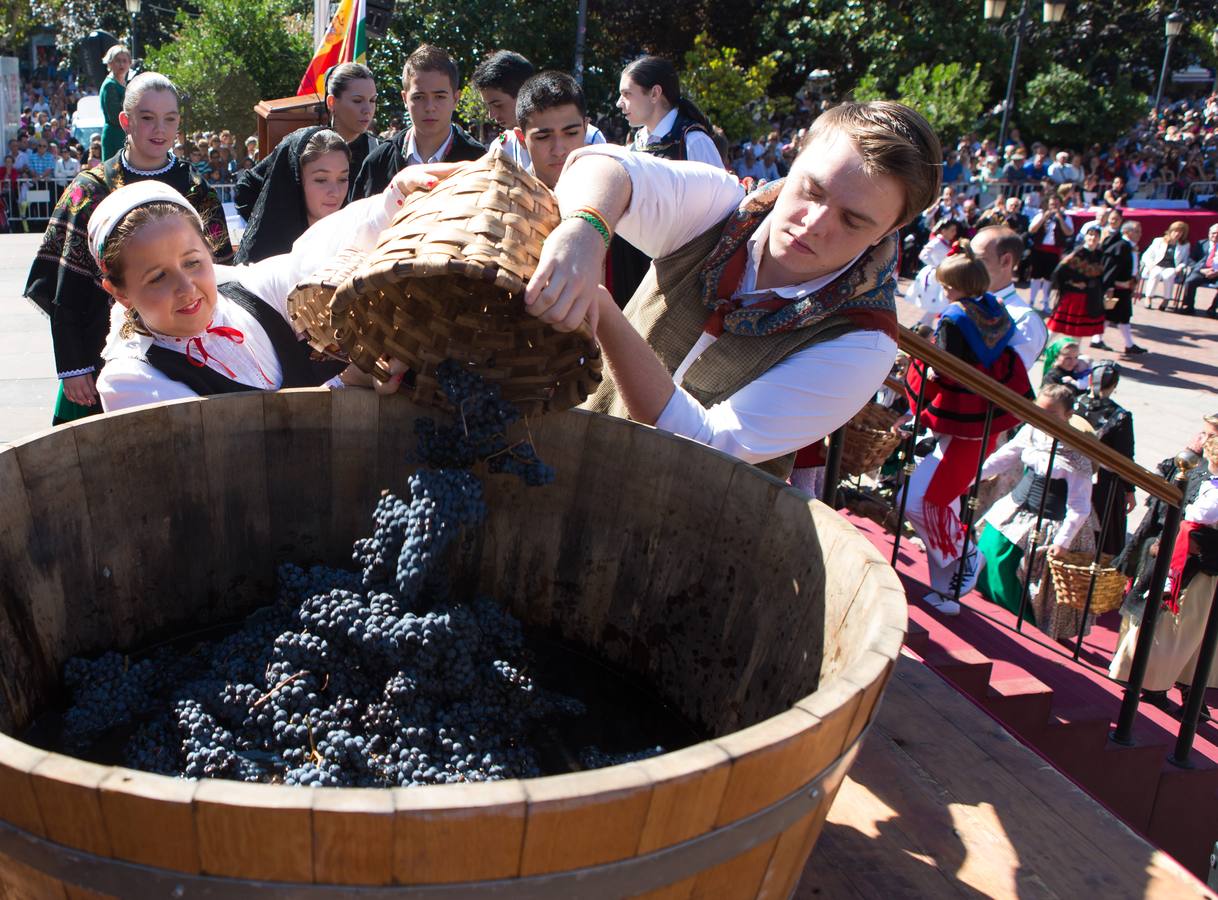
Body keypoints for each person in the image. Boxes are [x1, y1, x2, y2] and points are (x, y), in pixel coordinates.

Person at [520, 101, 941, 490]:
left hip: (686, 530)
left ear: (885, 233)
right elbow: (601, 165)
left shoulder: (863, 340)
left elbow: (706, 442)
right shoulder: (722, 206)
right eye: (812, 190)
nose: (814, 223)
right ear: (793, 163)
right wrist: (584, 230)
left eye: (852, 220)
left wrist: (603, 311)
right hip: (566, 465)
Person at [92, 168, 442, 410]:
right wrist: (347, 382)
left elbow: (314, 256)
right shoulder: (131, 378)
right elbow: (234, 456)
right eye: (157, 277)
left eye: (193, 262)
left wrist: (393, 202)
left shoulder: (243, 292)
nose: (186, 288)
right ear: (120, 292)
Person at [23, 72, 232, 425]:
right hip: (101, 348)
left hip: (187, 347)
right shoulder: (91, 188)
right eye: (147, 117)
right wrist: (73, 366)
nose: (159, 128)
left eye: (169, 118)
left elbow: (221, 273)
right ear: (126, 120)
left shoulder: (195, 189)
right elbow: (66, 282)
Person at [902, 242, 1031, 614]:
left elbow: (942, 366)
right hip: (979, 420)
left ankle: (965, 554)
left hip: (965, 424)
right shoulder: (994, 310)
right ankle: (946, 590)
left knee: (927, 503)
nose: (944, 293)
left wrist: (922, 367)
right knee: (918, 502)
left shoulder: (956, 317)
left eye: (947, 286)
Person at [1111, 417, 1218, 717]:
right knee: (1165, 626)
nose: (1201, 439)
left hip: (1200, 565)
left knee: (1193, 633)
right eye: (1203, 432)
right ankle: (1147, 682)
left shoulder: (1206, 476)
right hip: (1173, 559)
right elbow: (1162, 512)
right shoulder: (1189, 467)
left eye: (1210, 436)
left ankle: (1186, 689)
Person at [975, 383, 1096, 640]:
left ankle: (1023, 629)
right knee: (989, 547)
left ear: (1068, 415)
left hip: (1052, 518)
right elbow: (1006, 455)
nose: (1042, 418)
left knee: (1026, 576)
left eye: (1050, 414)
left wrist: (1064, 541)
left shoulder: (1076, 454)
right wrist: (975, 476)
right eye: (1039, 411)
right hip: (1020, 505)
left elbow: (1079, 504)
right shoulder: (1032, 431)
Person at [236, 64, 380, 217]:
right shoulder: (303, 146)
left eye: (372, 100)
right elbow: (246, 189)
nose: (367, 109)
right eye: (357, 101)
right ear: (332, 102)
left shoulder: (380, 151)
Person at [350, 44, 484, 199]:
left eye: (439, 96)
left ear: (455, 99)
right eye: (419, 97)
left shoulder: (478, 162)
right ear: (404, 98)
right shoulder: (378, 163)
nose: (429, 107)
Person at [235, 129, 350, 264]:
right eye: (321, 180)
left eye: (343, 179)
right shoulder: (265, 259)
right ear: (295, 180)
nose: (335, 192)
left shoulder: (356, 242)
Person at [1076, 361, 1135, 555]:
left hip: (1071, 471)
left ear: (1091, 379)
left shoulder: (1074, 403)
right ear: (1114, 385)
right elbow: (1125, 457)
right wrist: (1129, 491)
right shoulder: (1121, 417)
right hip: (1103, 482)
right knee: (1103, 531)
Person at [616, 55, 719, 167]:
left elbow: (720, 184)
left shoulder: (695, 142)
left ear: (655, 93)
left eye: (627, 94)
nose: (619, 103)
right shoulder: (636, 145)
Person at [512, 71, 606, 190]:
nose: (559, 151)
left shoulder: (613, 192)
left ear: (585, 128)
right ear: (521, 138)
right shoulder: (504, 202)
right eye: (543, 137)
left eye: (571, 133)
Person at [972, 225, 1047, 370]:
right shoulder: (965, 298)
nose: (968, 266)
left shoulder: (1024, 320)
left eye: (979, 260)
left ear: (1006, 261)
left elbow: (1003, 381)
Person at [1045, 227, 1106, 340]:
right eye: (1090, 234)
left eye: (1096, 235)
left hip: (1088, 297)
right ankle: (1038, 350)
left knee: (1079, 331)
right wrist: (1072, 283)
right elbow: (1058, 273)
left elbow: (1099, 276)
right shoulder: (1078, 253)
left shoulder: (1099, 255)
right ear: (1085, 237)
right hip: (1072, 297)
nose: (1093, 238)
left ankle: (1074, 354)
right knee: (1055, 328)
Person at [1096, 220, 1146, 356]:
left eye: (1140, 231)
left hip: (1124, 287)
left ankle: (1097, 339)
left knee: (1110, 314)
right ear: (1126, 232)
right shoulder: (1121, 247)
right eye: (1136, 231)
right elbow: (1111, 270)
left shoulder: (1129, 247)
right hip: (1118, 288)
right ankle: (1128, 344)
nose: (1139, 234)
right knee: (1122, 316)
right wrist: (1110, 287)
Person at [903, 218, 960, 328]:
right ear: (943, 230)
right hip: (935, 277)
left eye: (955, 230)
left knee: (938, 306)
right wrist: (937, 265)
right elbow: (923, 255)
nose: (954, 233)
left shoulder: (946, 243)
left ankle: (922, 328)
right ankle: (920, 328)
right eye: (952, 230)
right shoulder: (936, 242)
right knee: (936, 305)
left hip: (941, 276)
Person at [1026, 195, 1074, 312]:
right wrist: (1043, 218)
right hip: (1039, 249)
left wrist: (1060, 219)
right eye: (1052, 204)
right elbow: (1031, 230)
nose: (1054, 207)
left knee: (1049, 278)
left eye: (1057, 205)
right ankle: (1031, 301)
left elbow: (1069, 232)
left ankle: (1045, 302)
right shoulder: (1040, 215)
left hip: (1054, 251)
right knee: (1035, 276)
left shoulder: (1065, 217)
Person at [1139, 220, 1191, 310]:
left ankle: (1166, 299)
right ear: (1170, 231)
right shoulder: (1159, 241)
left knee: (1168, 275)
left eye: (1180, 232)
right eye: (1175, 231)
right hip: (1157, 265)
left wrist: (1180, 267)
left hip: (1172, 267)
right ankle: (1148, 297)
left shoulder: (1185, 245)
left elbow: (1185, 260)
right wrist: (1150, 264)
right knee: (1155, 274)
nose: (1177, 234)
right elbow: (1147, 255)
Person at [99, 45, 132, 161]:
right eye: (118, 61)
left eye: (125, 61)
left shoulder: (124, 83)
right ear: (110, 63)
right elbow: (114, 116)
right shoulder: (110, 85)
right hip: (114, 135)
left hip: (124, 134)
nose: (122, 64)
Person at [1179, 222, 1218, 317]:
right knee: (1190, 281)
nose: (1215, 235)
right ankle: (1188, 306)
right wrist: (1201, 270)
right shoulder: (1201, 244)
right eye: (1213, 233)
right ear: (1209, 233)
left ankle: (1213, 308)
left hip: (1217, 273)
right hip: (1201, 271)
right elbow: (1191, 260)